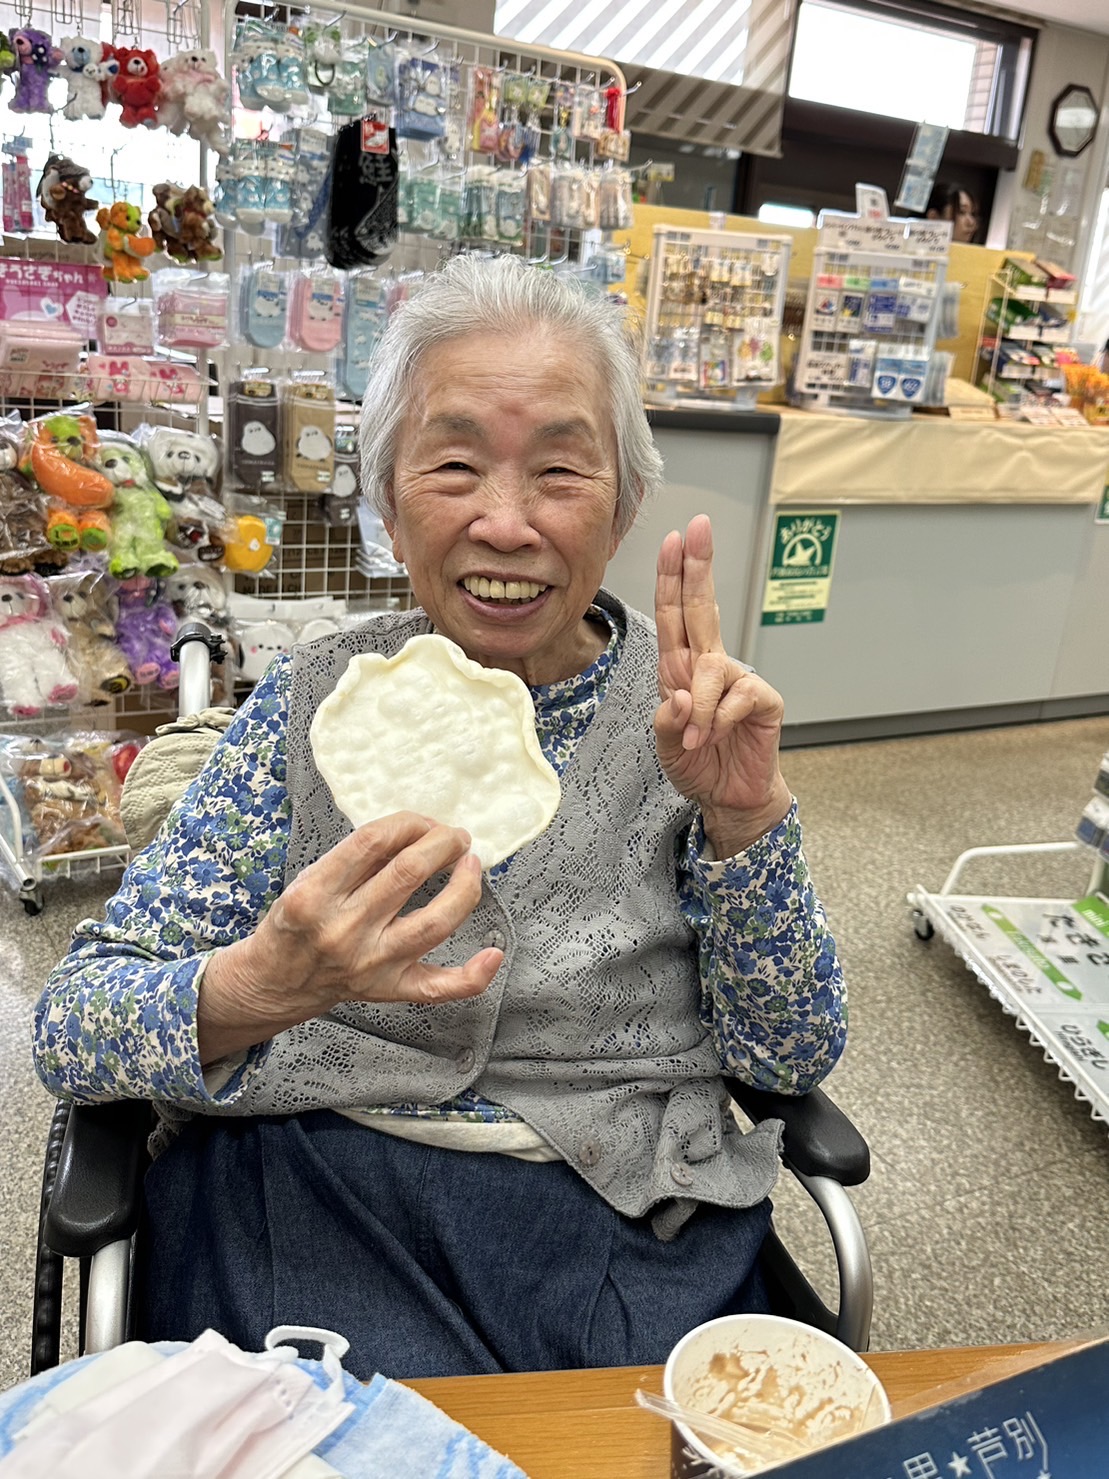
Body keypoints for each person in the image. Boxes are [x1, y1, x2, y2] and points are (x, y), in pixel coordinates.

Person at [33, 255, 846, 1381]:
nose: (504, 524)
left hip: (620, 1221)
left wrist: (747, 826)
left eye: (559, 470)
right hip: (313, 1188)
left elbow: (791, 1054)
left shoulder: (691, 726)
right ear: (385, 501)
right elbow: (70, 1027)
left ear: (621, 504)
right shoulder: (307, 706)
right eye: (454, 464)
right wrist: (257, 988)